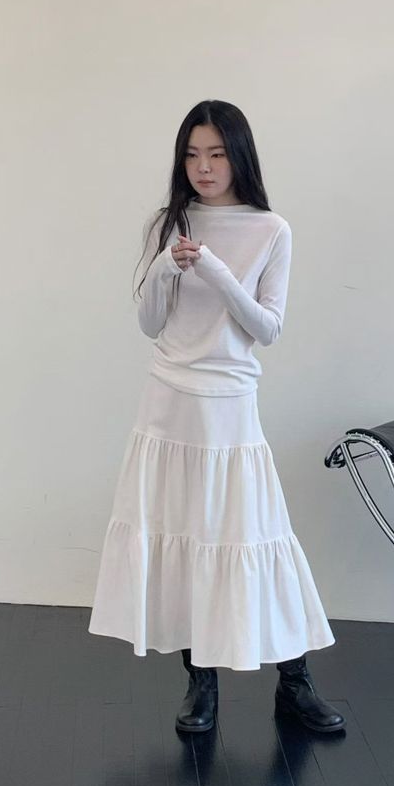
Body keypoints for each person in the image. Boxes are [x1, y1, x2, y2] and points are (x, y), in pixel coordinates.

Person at [88, 99, 344, 735]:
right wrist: (165, 270)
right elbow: (151, 324)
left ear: (239, 156)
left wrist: (217, 270)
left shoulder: (271, 229)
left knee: (256, 535)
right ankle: (200, 682)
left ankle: (295, 683)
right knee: (183, 535)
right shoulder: (167, 224)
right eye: (192, 154)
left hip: (229, 402)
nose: (203, 167)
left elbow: (266, 329)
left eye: (217, 153)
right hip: (168, 401)